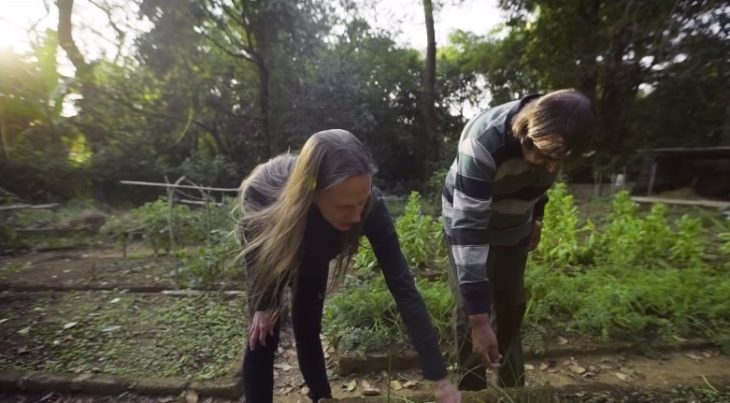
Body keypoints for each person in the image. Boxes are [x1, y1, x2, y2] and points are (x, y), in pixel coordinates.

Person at [237, 129, 461, 403]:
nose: (357, 216)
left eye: (362, 201)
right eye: (344, 207)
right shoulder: (264, 194)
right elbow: (254, 248)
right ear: (312, 192)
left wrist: (439, 378)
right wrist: (264, 302)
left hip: (315, 251)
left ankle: (322, 397)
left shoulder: (372, 209)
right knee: (263, 335)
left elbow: (404, 288)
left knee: (307, 325)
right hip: (273, 248)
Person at [441, 89, 594, 390]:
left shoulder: (558, 139)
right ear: (525, 133)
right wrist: (480, 322)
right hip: (467, 224)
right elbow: (469, 229)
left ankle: (512, 389)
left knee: (512, 304)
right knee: (471, 309)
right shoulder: (483, 142)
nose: (551, 168)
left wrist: (536, 216)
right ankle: (473, 390)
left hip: (514, 226)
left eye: (560, 161)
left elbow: (540, 183)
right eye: (546, 157)